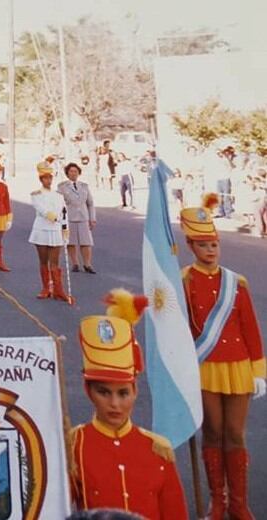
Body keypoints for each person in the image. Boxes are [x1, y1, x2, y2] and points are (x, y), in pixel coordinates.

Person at [179, 195, 265, 519]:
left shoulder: (236, 282)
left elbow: (251, 329)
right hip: (206, 368)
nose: (211, 250)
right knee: (213, 431)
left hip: (238, 367)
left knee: (234, 432)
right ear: (191, 246)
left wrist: (258, 370)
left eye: (214, 243)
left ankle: (240, 503)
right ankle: (218, 500)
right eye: (203, 245)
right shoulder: (183, 282)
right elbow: (179, 328)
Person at [70, 289, 189, 519]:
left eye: (123, 393)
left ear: (135, 391)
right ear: (89, 392)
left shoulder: (157, 449)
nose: (115, 404)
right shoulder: (76, 445)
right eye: (104, 393)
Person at [29, 161, 71, 302]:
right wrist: (51, 215)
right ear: (41, 179)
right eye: (45, 178)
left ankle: (59, 290)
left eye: (50, 177)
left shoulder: (58, 195)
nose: (48, 180)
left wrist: (65, 228)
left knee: (55, 262)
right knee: (43, 261)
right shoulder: (36, 194)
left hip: (55, 230)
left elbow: (64, 212)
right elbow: (40, 209)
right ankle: (46, 288)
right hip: (41, 229)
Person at [58, 162, 97, 274]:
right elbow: (59, 203)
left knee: (86, 242)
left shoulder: (84, 186)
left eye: (75, 171)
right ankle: (75, 263)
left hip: (83, 217)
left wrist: (92, 218)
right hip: (69, 217)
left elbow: (90, 203)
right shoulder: (62, 186)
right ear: (67, 173)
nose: (73, 173)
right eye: (71, 171)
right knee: (71, 242)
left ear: (79, 173)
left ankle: (87, 264)